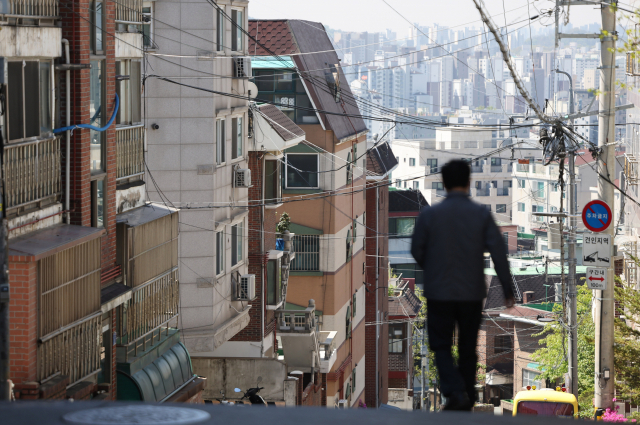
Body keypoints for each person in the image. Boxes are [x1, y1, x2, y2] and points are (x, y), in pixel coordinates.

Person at [411, 159, 515, 411]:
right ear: (469, 183)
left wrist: (434, 269)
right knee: (468, 347)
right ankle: (466, 395)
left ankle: (454, 392)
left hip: (438, 292)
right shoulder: (480, 214)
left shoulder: (429, 215)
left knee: (441, 345)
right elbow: (499, 253)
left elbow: (416, 250)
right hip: (471, 292)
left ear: (444, 183)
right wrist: (508, 290)